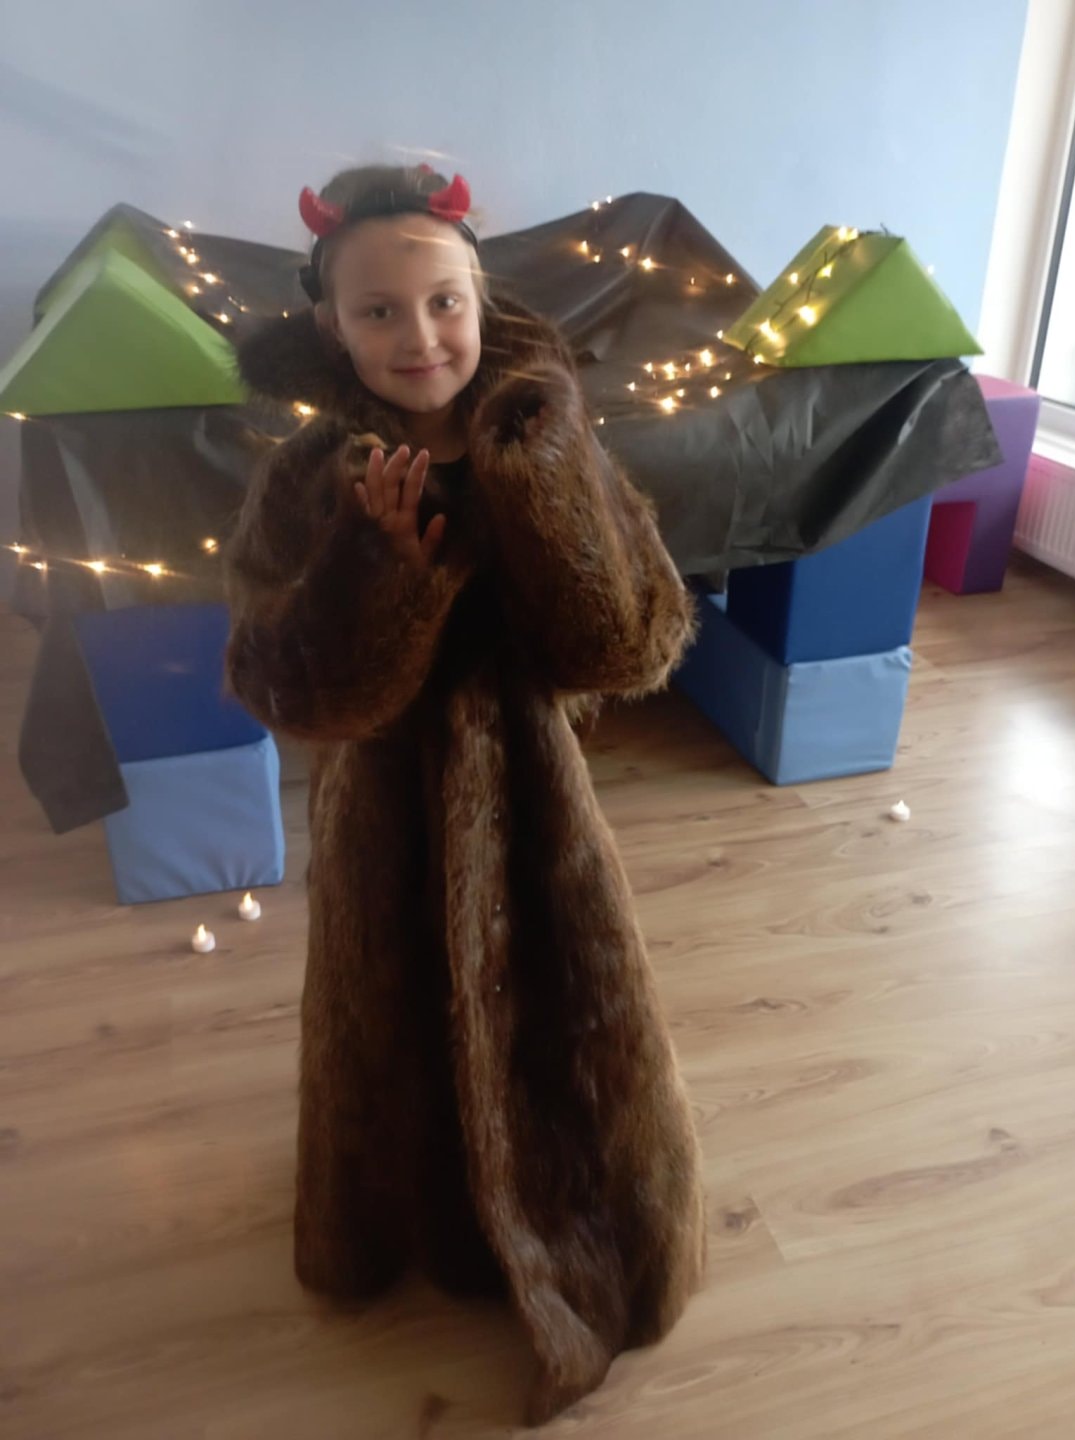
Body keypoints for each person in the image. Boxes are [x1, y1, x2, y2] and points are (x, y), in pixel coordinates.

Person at [225, 162, 705, 1425]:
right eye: (378, 311)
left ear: (480, 298)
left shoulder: (545, 435)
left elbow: (630, 644)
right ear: (331, 325)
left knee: (568, 1009)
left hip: (539, 806)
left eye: (444, 302)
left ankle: (591, 1216)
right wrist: (377, 567)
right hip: (378, 812)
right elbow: (284, 685)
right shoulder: (307, 479)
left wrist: (540, 490)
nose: (420, 336)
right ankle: (412, 1218)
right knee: (389, 1017)